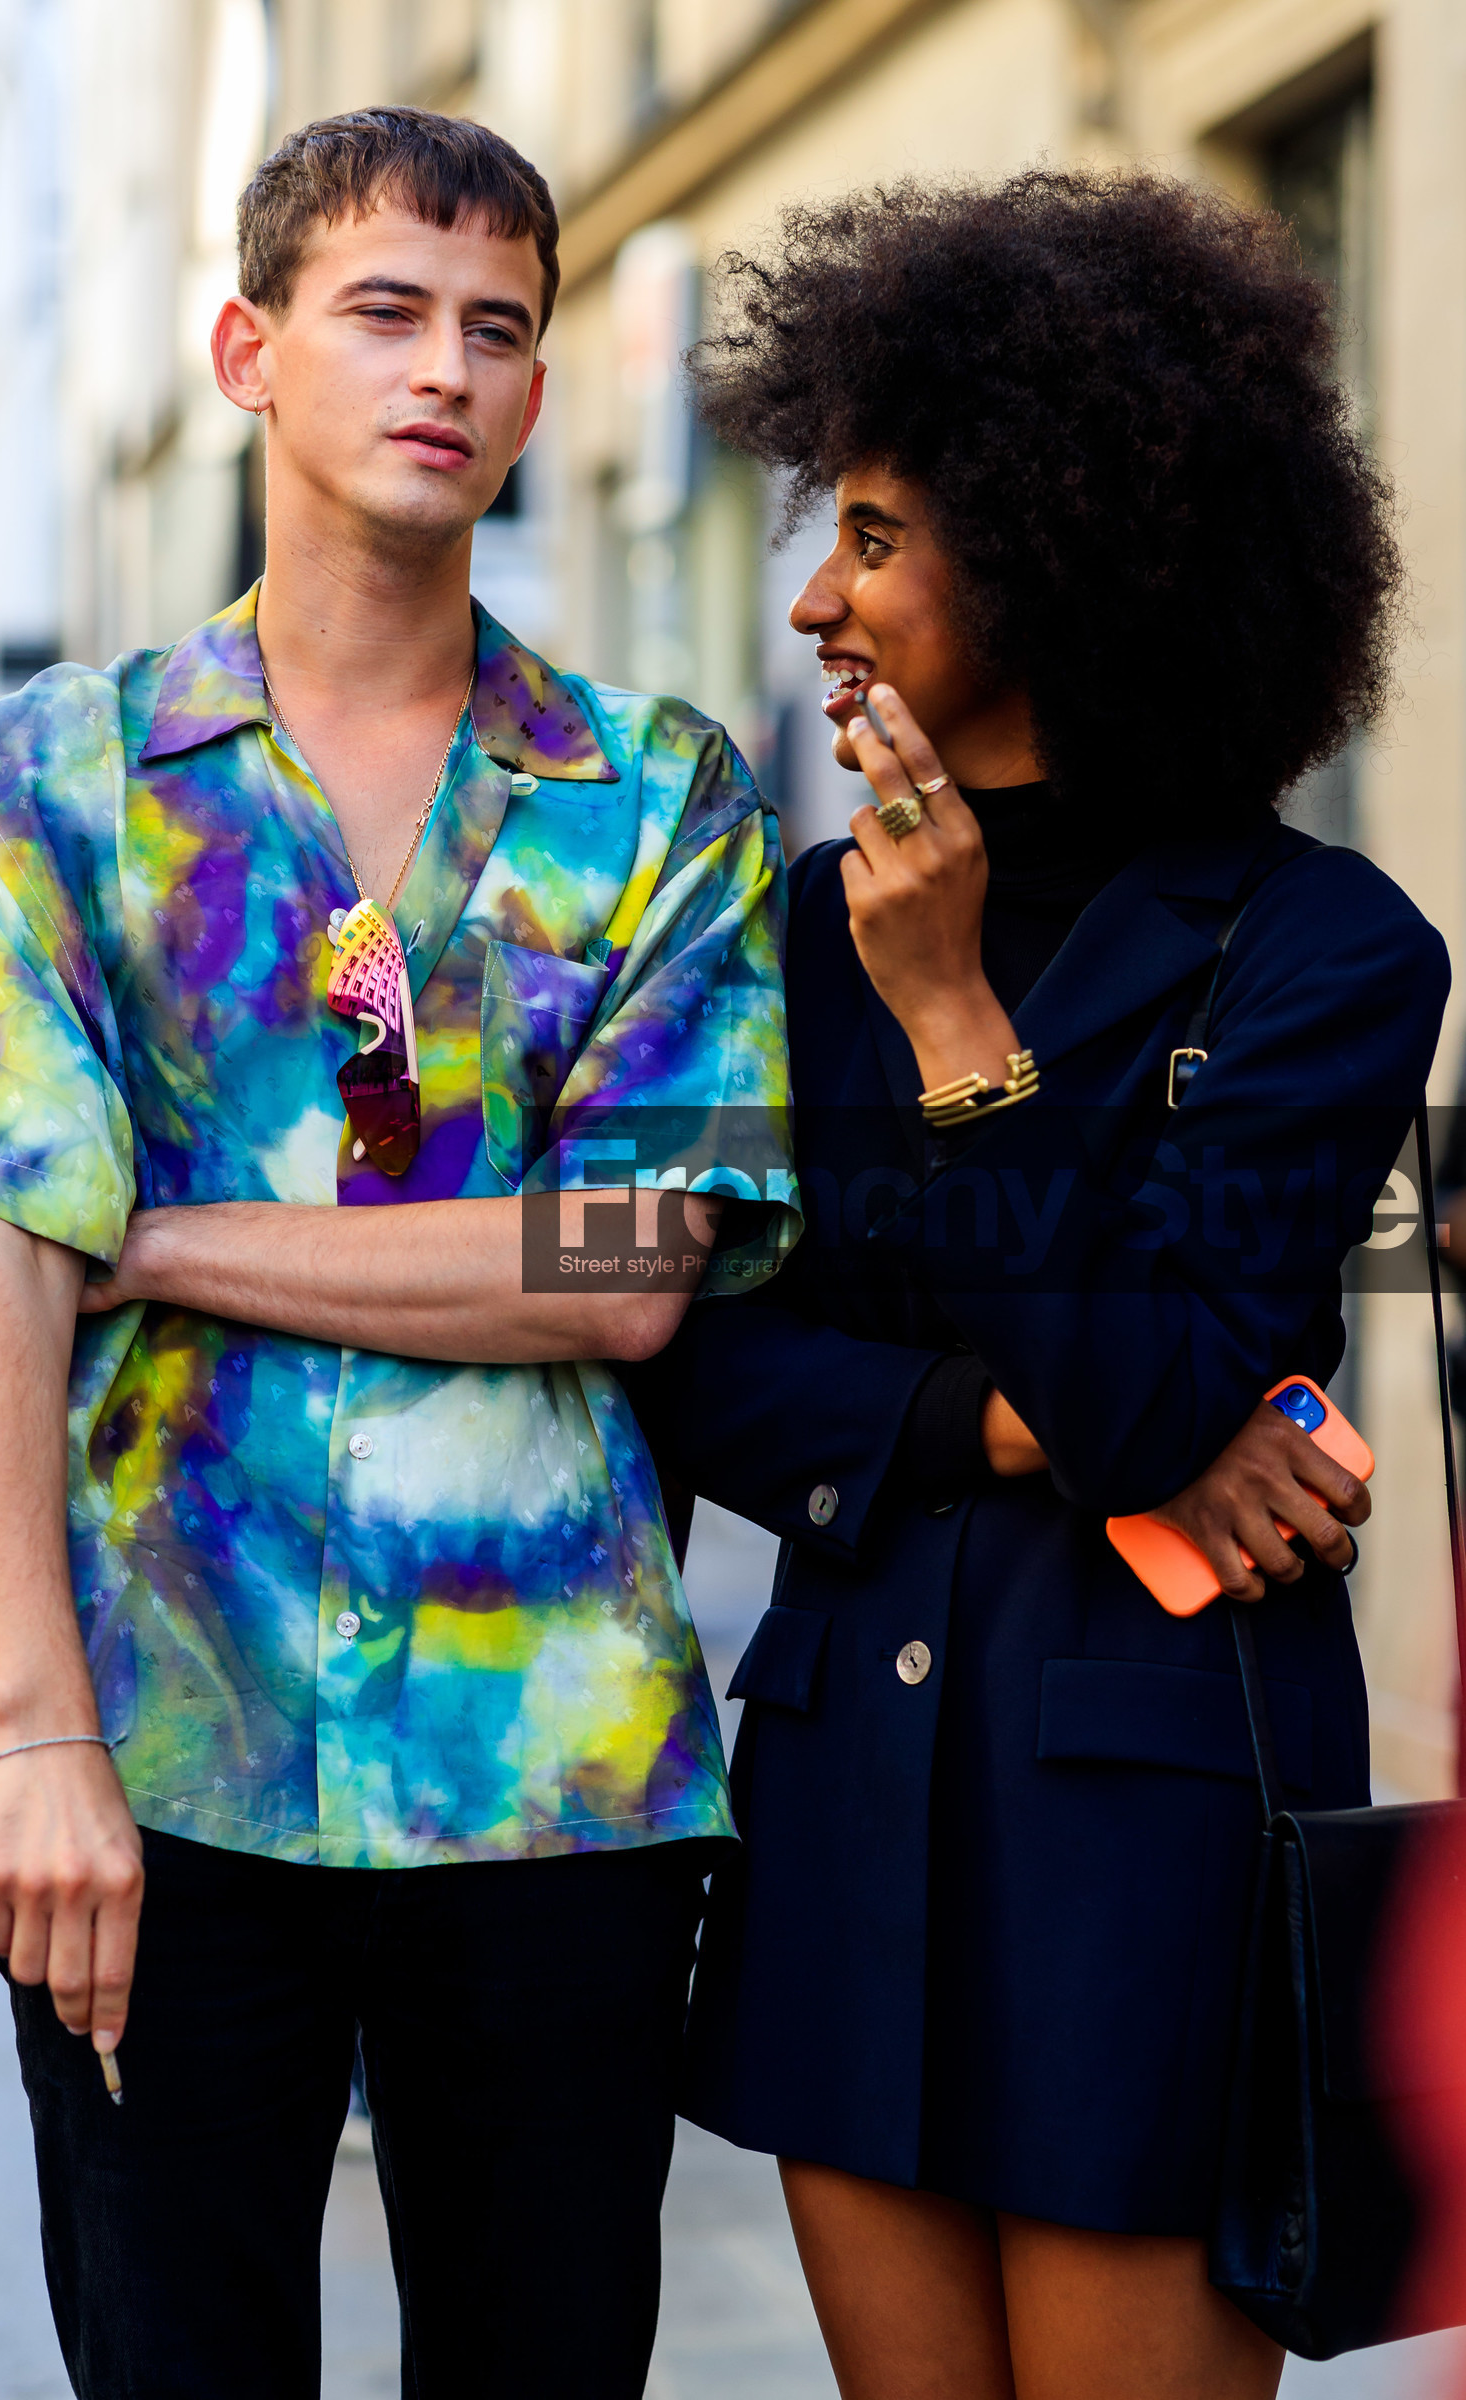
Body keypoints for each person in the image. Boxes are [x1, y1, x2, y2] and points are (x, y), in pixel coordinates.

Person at [0, 108, 795, 2400]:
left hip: (548, 1773)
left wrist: (156, 1228)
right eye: (384, 310)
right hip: (151, 1749)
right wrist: (45, 1737)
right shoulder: (47, 786)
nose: (444, 370)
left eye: (497, 329)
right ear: (247, 350)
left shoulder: (658, 791)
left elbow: (627, 1264)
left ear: (541, 396)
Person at [633, 171, 1449, 2399]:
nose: (815, 595)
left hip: (1145, 1830)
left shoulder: (1322, 952)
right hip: (840, 1815)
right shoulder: (775, 933)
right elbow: (687, 1361)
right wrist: (985, 1423)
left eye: (876, 537)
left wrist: (962, 1038)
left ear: (1065, 547)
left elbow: (1156, 1383)